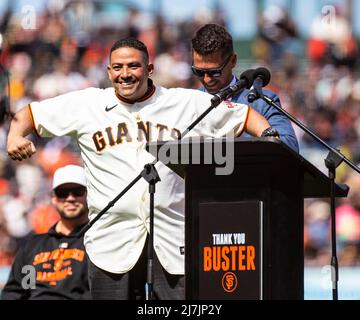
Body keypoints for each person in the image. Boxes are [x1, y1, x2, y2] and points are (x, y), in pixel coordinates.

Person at [6, 38, 271, 300]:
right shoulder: (87, 104)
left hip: (173, 239)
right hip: (112, 240)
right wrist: (15, 137)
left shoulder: (184, 102)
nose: (125, 74)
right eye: (118, 67)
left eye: (133, 66)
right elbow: (29, 114)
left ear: (149, 69)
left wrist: (271, 137)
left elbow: (243, 116)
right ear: (108, 71)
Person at [191, 23, 299, 152]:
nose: (207, 79)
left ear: (233, 61)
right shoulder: (189, 102)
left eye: (214, 72)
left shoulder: (263, 102)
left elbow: (290, 147)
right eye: (199, 72)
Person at [1, 165, 90, 300]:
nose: (70, 198)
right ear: (53, 198)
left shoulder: (97, 242)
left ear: (89, 195)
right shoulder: (33, 246)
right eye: (62, 193)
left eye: (77, 191)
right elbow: (19, 291)